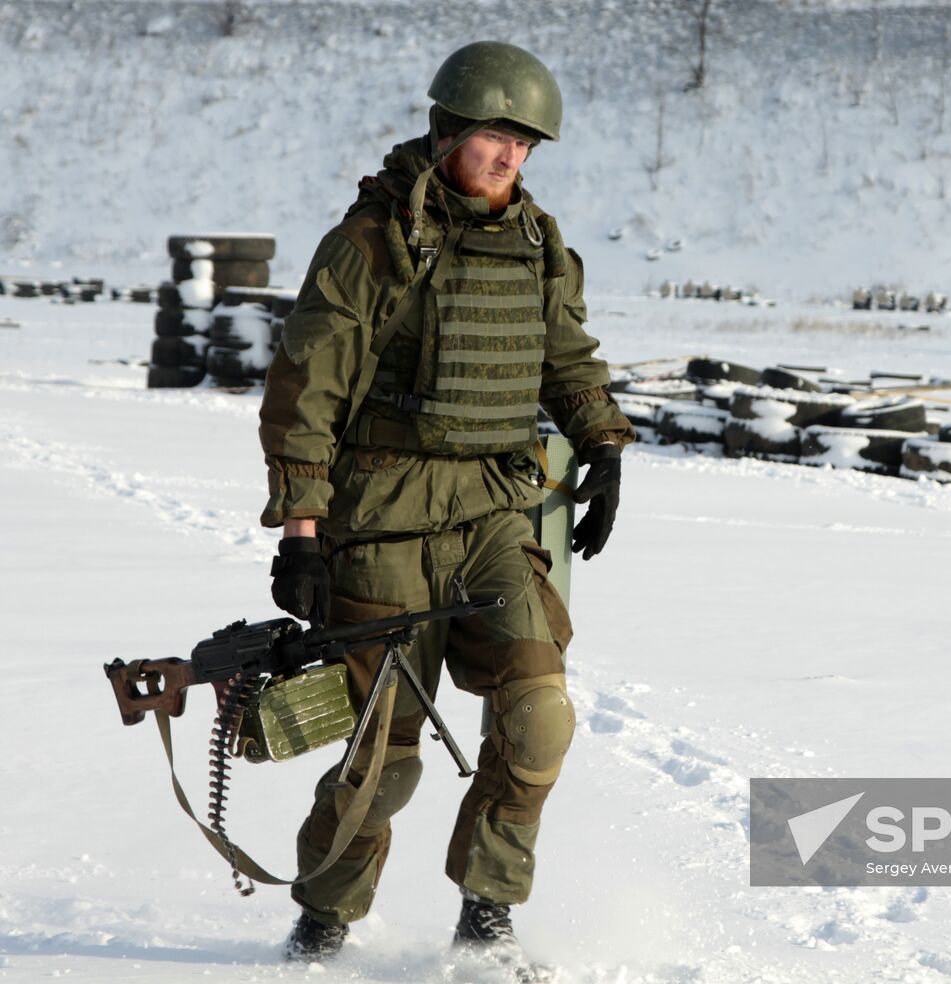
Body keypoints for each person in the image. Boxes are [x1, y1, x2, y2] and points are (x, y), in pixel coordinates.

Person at [257, 40, 633, 970]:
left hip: (497, 514)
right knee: (383, 757)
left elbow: (566, 357)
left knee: (539, 716)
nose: (511, 158)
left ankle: (488, 912)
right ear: (448, 132)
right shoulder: (368, 245)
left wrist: (604, 443)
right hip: (382, 518)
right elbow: (306, 392)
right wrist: (303, 533)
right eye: (496, 138)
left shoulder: (539, 244)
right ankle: (326, 917)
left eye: (527, 145)